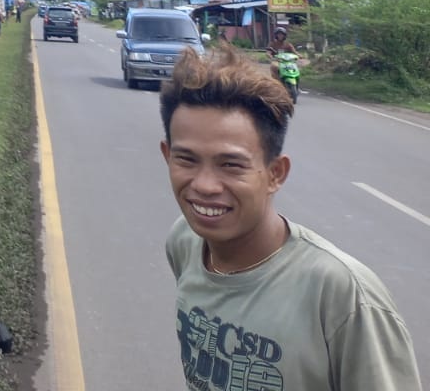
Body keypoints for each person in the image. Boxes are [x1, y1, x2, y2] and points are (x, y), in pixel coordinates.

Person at [158, 46, 419, 390]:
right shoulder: (186, 242)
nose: (204, 185)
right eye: (186, 160)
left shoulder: (343, 296)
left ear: (275, 173)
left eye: (231, 164)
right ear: (167, 155)